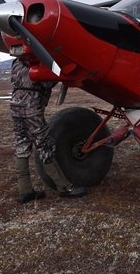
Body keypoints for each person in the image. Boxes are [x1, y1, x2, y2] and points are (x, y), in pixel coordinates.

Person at [10, 57, 87, 202]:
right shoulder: (37, 62)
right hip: (31, 108)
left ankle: (25, 191)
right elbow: (46, 83)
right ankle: (65, 187)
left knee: (22, 145)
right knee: (46, 146)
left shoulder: (17, 62)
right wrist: (60, 74)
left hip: (15, 106)